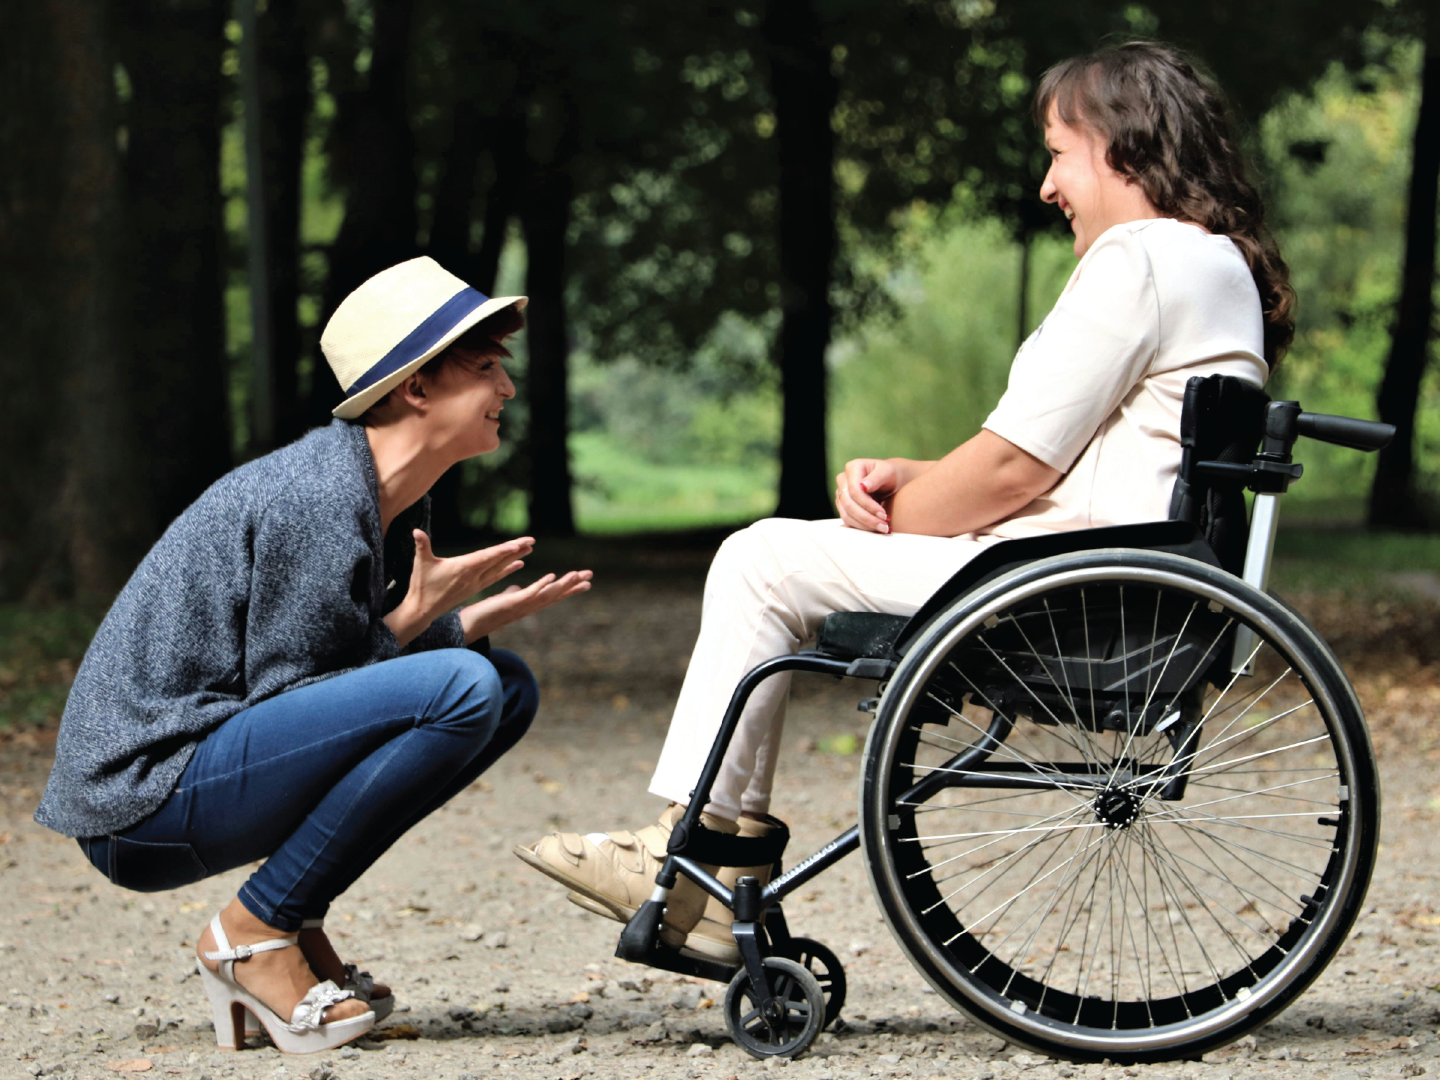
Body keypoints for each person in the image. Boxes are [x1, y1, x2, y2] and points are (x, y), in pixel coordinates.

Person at [515, 40, 1295, 964]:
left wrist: (896, 513)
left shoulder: (1143, 258)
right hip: (1118, 573)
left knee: (762, 559)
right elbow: (1070, 463)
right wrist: (913, 476)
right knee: (778, 556)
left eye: (1057, 153)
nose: (1048, 187)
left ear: (1122, 145)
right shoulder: (1214, 266)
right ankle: (707, 863)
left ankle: (699, 868)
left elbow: (1012, 474)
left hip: (1069, 589)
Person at [35, 257, 592, 1054]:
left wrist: (450, 625)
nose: (506, 389)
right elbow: (297, 694)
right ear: (417, 388)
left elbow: (328, 687)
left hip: (209, 764)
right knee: (468, 686)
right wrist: (420, 623)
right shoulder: (317, 498)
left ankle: (286, 918)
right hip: (141, 797)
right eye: (485, 368)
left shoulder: (381, 495)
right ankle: (253, 934)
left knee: (503, 686)